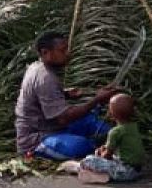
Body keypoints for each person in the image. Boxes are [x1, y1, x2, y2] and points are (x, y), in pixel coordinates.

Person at [15, 31, 115, 160]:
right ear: (45, 52)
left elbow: (41, 95)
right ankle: (39, 151)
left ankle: (92, 141)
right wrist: (97, 99)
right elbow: (64, 118)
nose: (68, 54)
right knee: (81, 145)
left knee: (98, 126)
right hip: (37, 139)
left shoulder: (37, 66)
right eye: (63, 50)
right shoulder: (45, 77)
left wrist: (65, 94)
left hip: (53, 127)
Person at [76, 93, 146, 184]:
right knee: (112, 158)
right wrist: (105, 149)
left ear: (112, 113)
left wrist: (100, 154)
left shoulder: (115, 132)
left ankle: (98, 176)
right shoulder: (134, 126)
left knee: (89, 160)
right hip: (138, 170)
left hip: (126, 172)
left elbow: (107, 156)